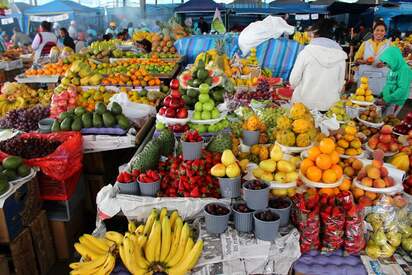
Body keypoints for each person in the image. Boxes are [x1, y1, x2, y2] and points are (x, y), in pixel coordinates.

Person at [289, 19, 347, 111]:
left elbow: (293, 81)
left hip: (304, 107)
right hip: (329, 107)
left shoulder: (306, 53)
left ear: (315, 34)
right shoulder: (341, 56)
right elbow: (340, 87)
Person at [354, 21, 391, 95]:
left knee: (378, 102)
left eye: (382, 31)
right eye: (377, 30)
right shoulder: (365, 44)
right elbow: (356, 60)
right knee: (363, 99)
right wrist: (365, 62)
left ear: (385, 33)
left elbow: (396, 61)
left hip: (381, 79)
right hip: (365, 80)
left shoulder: (390, 45)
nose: (379, 33)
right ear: (373, 31)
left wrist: (385, 64)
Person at [379, 47, 412, 116]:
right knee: (380, 118)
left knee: (388, 120)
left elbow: (403, 89)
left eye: (386, 62)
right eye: (384, 63)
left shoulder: (405, 70)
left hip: (395, 101)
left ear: (394, 59)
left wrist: (387, 99)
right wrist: (383, 93)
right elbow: (389, 83)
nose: (386, 65)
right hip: (387, 99)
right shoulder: (393, 69)